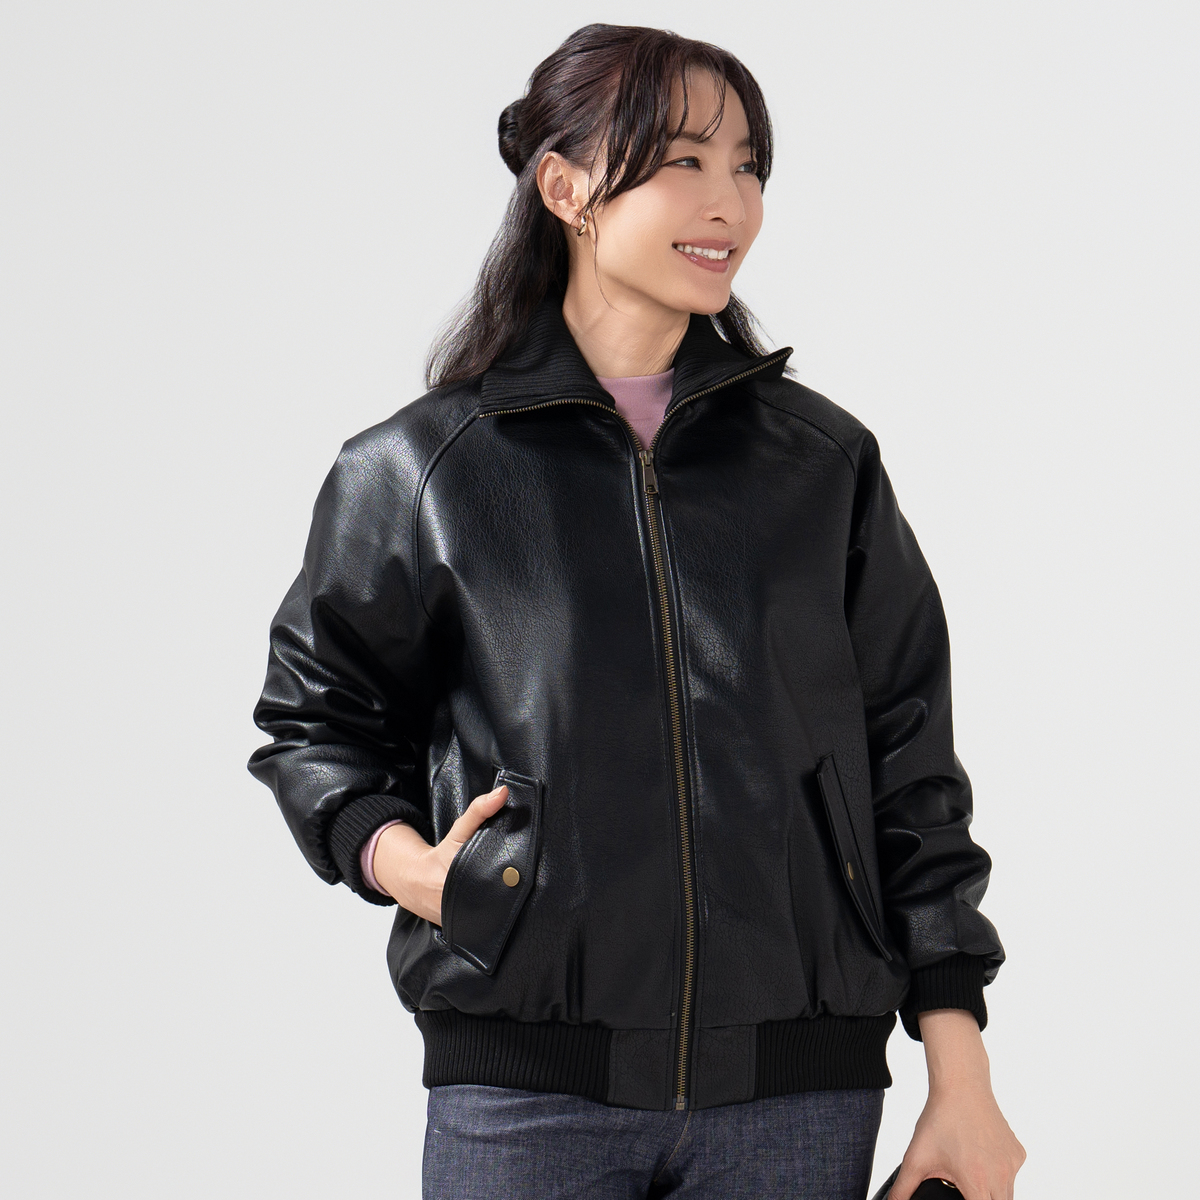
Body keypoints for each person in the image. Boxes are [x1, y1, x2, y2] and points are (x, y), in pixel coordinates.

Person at [248, 23, 1025, 1200]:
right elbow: (315, 725)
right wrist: (417, 871)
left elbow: (908, 773)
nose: (730, 204)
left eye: (748, 165)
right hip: (526, 1094)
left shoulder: (822, 465)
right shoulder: (423, 470)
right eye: (683, 162)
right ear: (565, 188)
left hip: (795, 1099)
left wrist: (960, 1077)